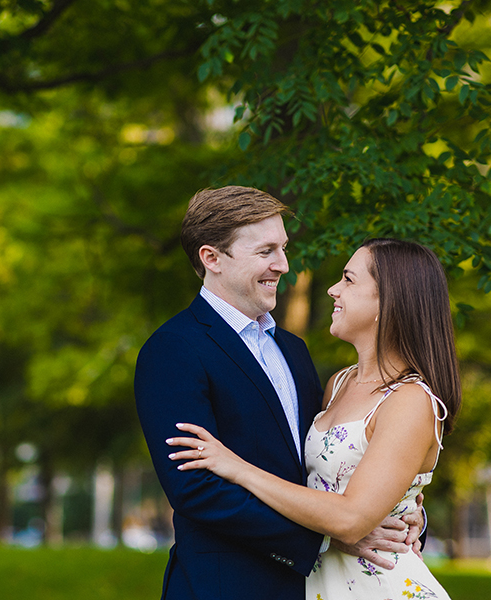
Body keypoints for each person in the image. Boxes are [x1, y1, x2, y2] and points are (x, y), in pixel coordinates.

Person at [134, 186, 422, 600]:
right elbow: (197, 489)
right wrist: (328, 537)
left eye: (283, 248)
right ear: (211, 258)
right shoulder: (173, 350)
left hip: (316, 587)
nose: (283, 265)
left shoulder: (293, 349)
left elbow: (330, 460)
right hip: (225, 586)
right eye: (266, 251)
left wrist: (403, 511)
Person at [167, 237, 461, 599]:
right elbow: (319, 480)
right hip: (317, 581)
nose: (333, 289)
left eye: (349, 280)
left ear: (387, 302)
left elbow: (352, 518)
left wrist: (236, 467)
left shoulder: (411, 400)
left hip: (378, 586)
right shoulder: (339, 383)